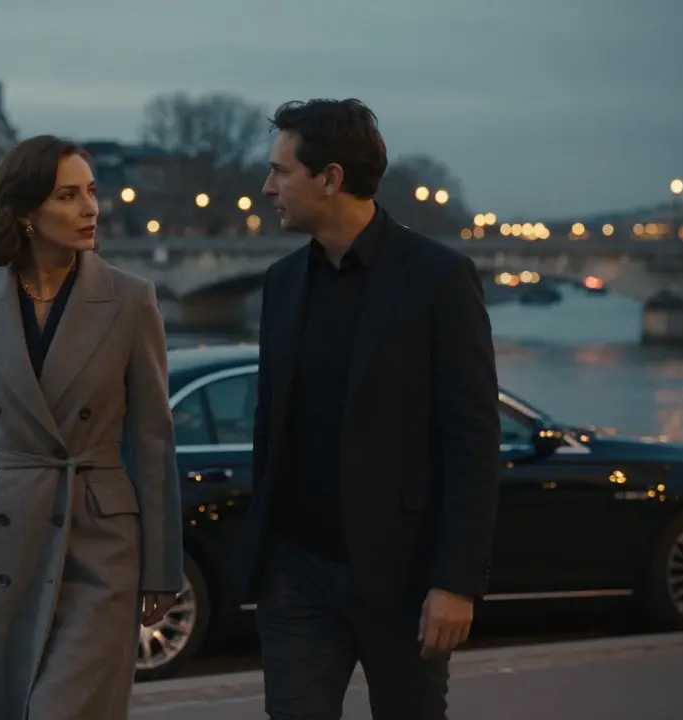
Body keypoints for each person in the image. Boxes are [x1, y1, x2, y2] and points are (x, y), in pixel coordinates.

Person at [241, 98, 501, 720]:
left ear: (330, 178)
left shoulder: (439, 279)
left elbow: (471, 440)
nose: (266, 186)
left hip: (404, 577)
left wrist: (456, 581)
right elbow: (269, 428)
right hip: (295, 574)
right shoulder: (280, 283)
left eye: (281, 171)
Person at [0, 134, 183, 720]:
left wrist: (163, 566)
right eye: (68, 195)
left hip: (99, 546)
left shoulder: (131, 300)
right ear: (27, 214)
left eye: (90, 192)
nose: (90, 208)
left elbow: (154, 440)